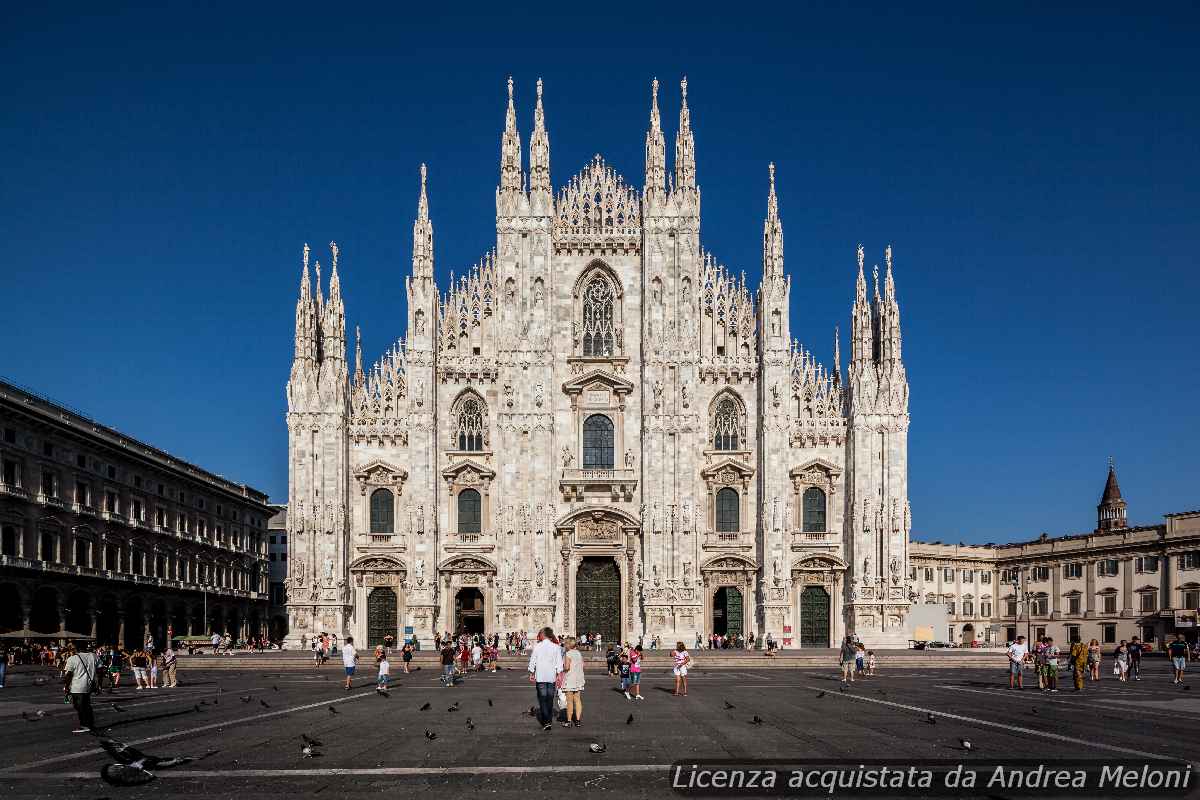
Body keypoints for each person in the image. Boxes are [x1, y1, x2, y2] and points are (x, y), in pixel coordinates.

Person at [527, 627, 564, 732]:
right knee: (549, 699)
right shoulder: (556, 647)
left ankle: (547, 721)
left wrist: (531, 672)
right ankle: (548, 720)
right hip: (551, 677)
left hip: (541, 677)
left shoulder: (538, 646)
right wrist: (558, 675)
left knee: (542, 699)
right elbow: (559, 663)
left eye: (540, 634)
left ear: (543, 635)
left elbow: (533, 660)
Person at [62, 645, 98, 734]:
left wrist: (66, 686)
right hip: (89, 685)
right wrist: (99, 684)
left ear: (76, 649)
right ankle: (90, 724)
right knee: (86, 705)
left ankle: (85, 725)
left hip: (77, 687)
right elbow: (101, 670)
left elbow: (68, 674)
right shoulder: (93, 656)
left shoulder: (72, 659)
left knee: (79, 706)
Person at [561, 637, 586, 728]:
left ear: (568, 644)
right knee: (578, 700)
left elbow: (567, 667)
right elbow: (583, 665)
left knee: (569, 701)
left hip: (570, 679)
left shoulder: (568, 654)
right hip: (578, 678)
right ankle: (578, 721)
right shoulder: (578, 653)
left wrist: (561, 669)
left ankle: (569, 721)